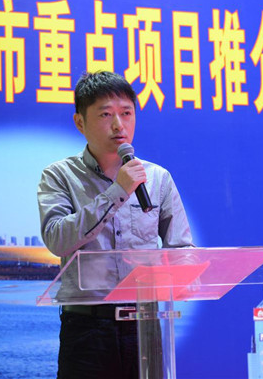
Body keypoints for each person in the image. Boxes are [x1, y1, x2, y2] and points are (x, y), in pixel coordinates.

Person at [37, 71, 193, 379]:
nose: (119, 125)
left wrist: (182, 273)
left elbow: (181, 249)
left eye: (127, 113)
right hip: (87, 329)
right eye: (106, 115)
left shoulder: (158, 178)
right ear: (80, 123)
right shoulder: (59, 176)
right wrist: (118, 191)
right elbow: (57, 239)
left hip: (145, 324)